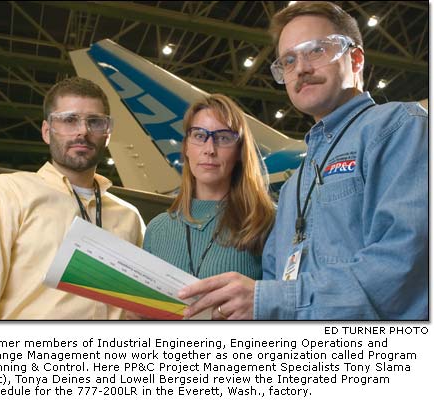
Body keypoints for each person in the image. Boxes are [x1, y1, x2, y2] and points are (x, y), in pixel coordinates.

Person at [179, 1, 428, 320]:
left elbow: (405, 266)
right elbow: (273, 276)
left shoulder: (399, 128)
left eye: (316, 51)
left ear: (355, 58)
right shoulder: (298, 180)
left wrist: (267, 300)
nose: (301, 68)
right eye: (289, 60)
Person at [0, 77, 145, 320]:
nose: (83, 131)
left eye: (95, 122)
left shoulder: (129, 216)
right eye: (69, 120)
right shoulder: (6, 192)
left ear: (107, 133)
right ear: (47, 132)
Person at [126, 94, 275, 320]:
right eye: (199, 135)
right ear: (186, 147)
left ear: (239, 152)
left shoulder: (266, 220)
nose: (209, 149)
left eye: (223, 138)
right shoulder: (157, 229)